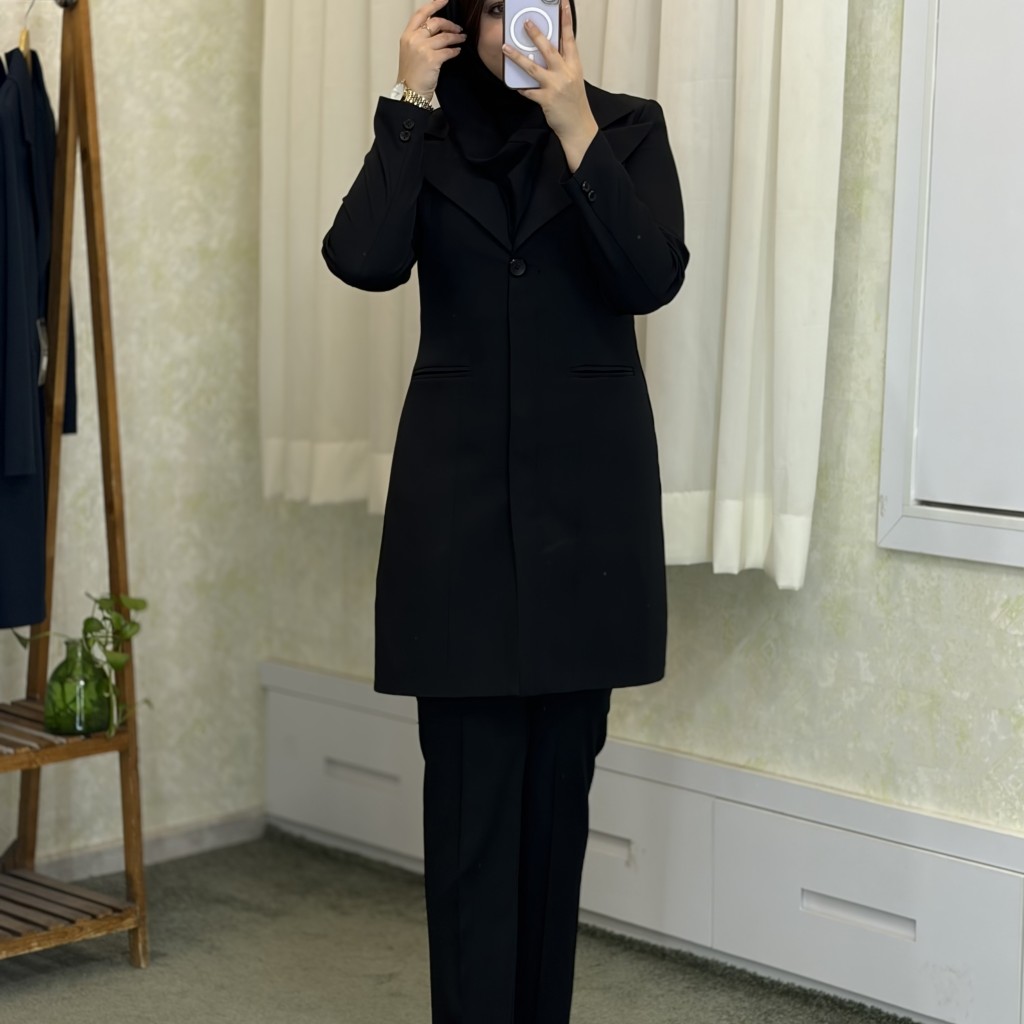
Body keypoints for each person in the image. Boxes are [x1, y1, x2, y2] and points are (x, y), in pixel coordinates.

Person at [322, 1, 688, 1020]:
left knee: (554, 823)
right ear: (460, 19)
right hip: (460, 519)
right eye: (495, 8)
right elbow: (361, 258)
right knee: (469, 822)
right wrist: (407, 101)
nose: (517, 27)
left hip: (587, 521)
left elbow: (649, 276)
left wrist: (574, 127)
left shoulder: (627, 127)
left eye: (541, 2)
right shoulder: (428, 133)